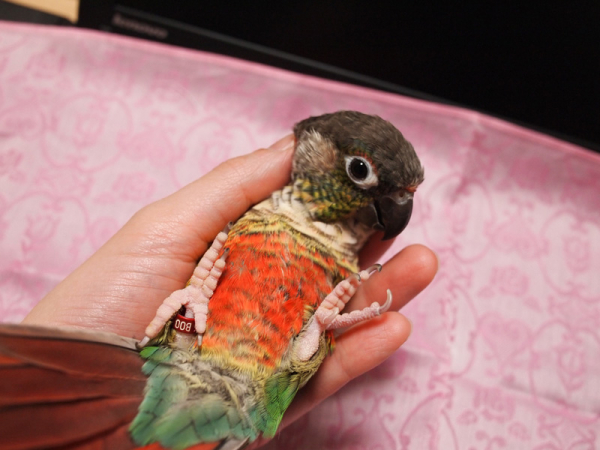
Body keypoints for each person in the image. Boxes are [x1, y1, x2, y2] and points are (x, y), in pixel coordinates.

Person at [22, 135, 438, 445]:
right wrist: (193, 297)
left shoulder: (344, 265)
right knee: (175, 361)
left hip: (248, 405)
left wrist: (317, 328)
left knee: (287, 365)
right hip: (166, 373)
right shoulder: (254, 215)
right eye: (359, 170)